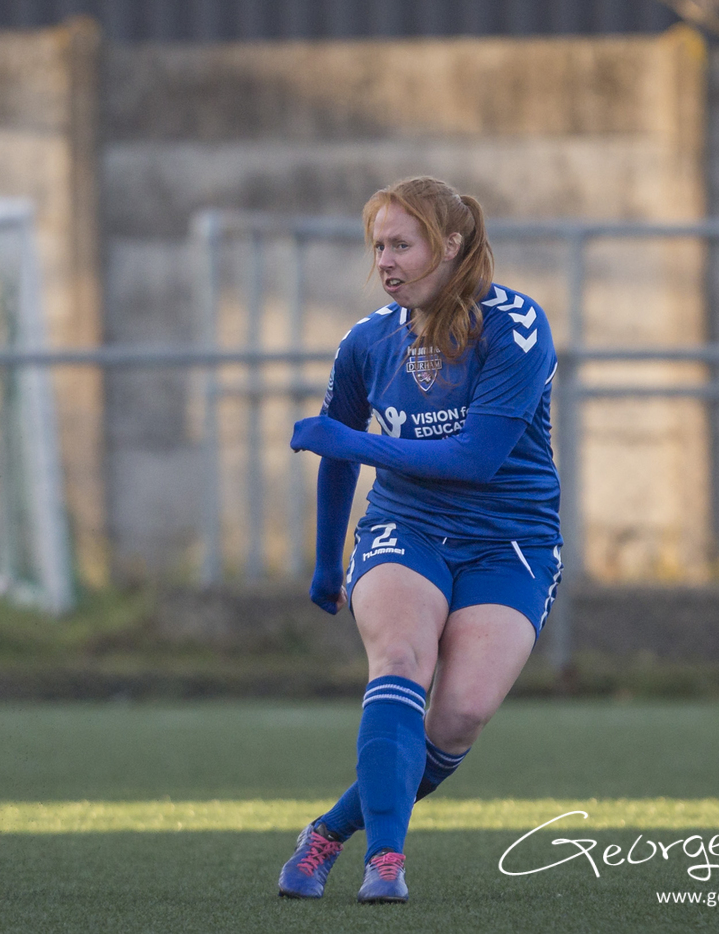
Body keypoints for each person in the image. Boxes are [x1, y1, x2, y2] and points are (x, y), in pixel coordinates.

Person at [277, 176, 562, 904]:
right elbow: (338, 455)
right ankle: (388, 862)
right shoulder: (368, 341)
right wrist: (324, 561)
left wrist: (352, 440)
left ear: (452, 245)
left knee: (462, 711)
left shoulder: (515, 327)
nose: (386, 261)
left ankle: (331, 831)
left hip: (512, 541)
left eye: (402, 244)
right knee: (400, 658)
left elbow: (474, 461)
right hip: (405, 530)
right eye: (378, 246)